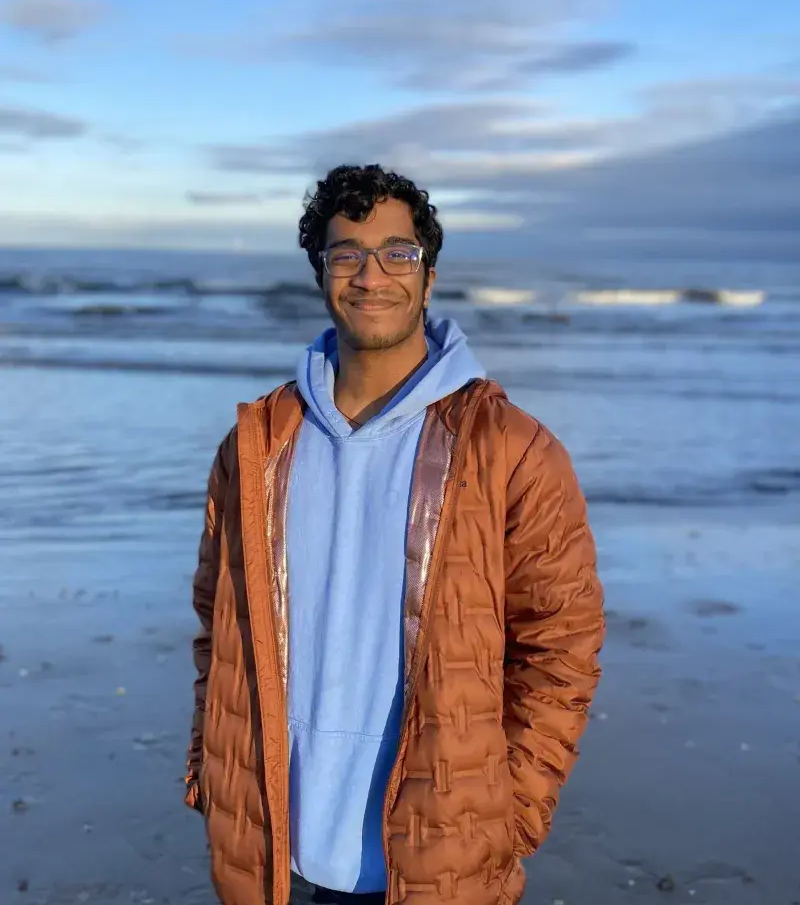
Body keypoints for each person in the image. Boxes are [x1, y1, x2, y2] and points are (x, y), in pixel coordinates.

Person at [184, 164, 605, 905]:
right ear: (321, 273)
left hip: (443, 855)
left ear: (429, 275)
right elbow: (215, 626)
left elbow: (562, 647)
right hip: (284, 853)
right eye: (346, 253)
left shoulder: (511, 449)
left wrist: (511, 813)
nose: (371, 274)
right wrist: (212, 771)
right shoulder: (256, 447)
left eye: (397, 253)